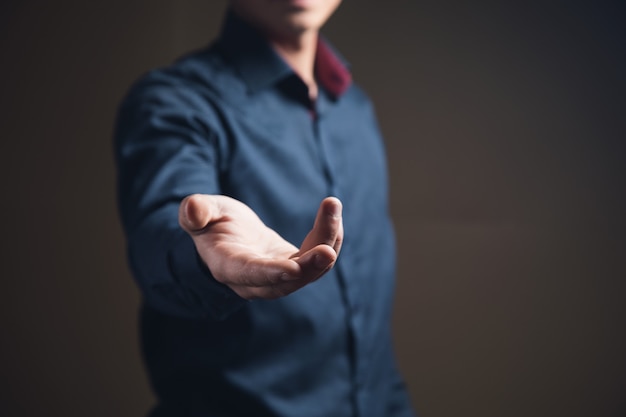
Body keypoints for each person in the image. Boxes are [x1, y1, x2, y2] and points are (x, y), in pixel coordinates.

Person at [114, 1, 416, 416]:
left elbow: (372, 344)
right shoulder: (174, 101)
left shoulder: (357, 110)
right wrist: (206, 253)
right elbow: (163, 229)